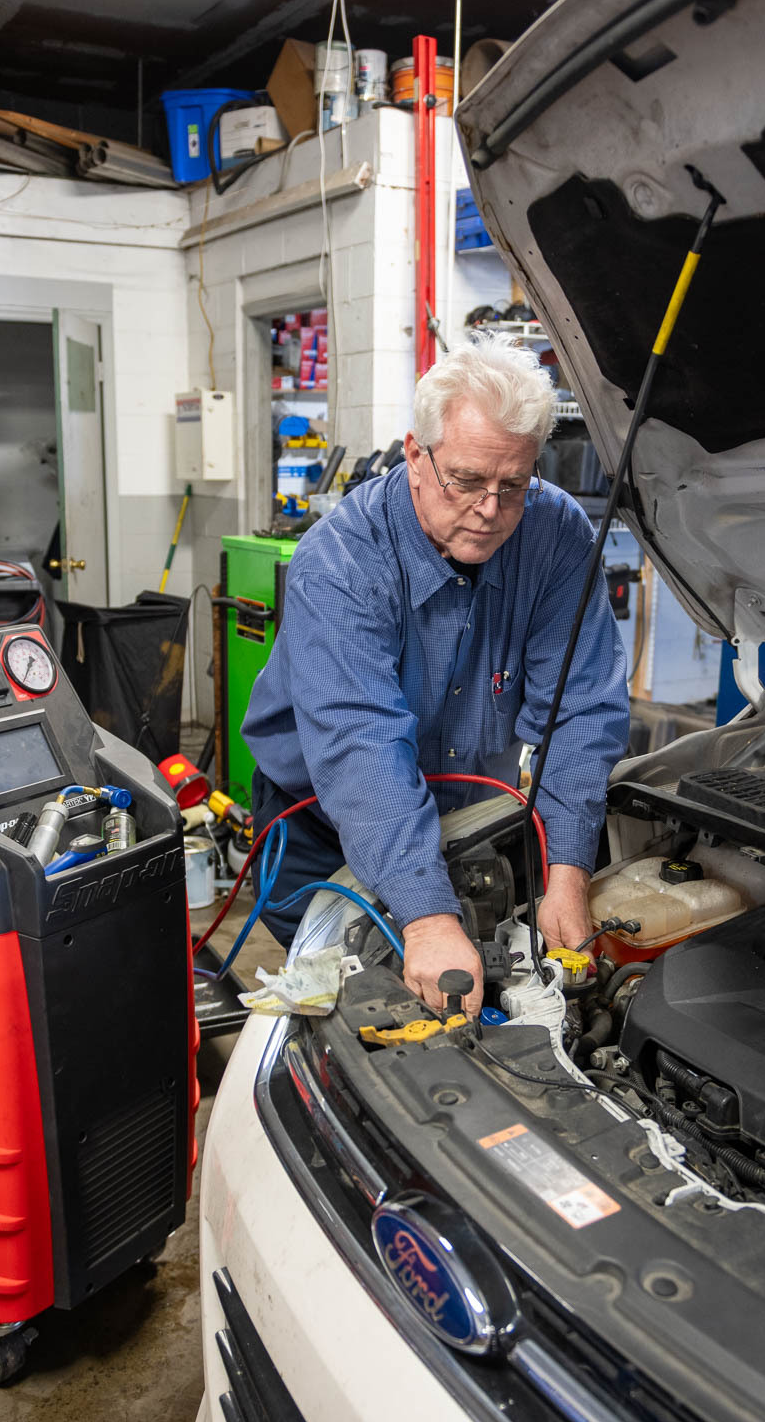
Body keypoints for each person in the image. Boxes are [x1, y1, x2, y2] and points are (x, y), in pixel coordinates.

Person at [243, 333, 629, 1016]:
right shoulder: (340, 563)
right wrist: (426, 918)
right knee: (353, 1003)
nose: (490, 508)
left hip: (475, 814)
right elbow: (364, 748)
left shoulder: (557, 533)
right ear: (416, 456)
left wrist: (568, 871)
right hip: (326, 818)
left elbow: (580, 708)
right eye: (468, 480)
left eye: (514, 484)